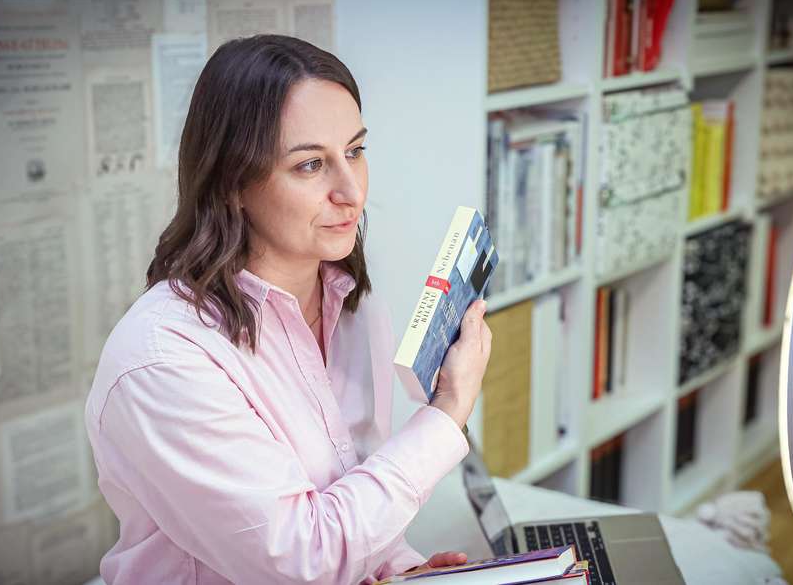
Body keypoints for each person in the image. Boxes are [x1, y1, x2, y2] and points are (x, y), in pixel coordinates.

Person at [84, 34, 493, 584]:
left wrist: (399, 568)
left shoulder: (355, 308)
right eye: (309, 166)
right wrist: (447, 411)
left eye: (354, 151)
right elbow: (303, 561)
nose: (350, 191)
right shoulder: (162, 360)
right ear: (233, 183)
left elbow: (353, 488)